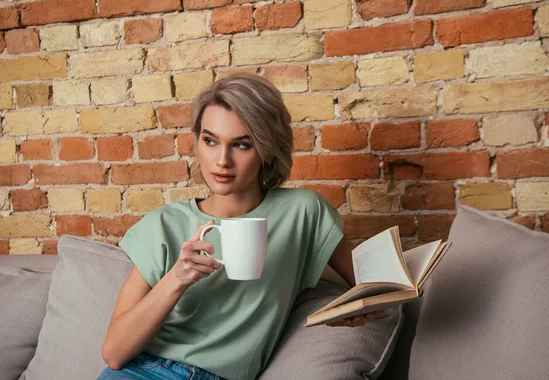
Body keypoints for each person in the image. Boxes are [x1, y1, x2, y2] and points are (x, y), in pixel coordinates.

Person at [98, 74, 380, 380]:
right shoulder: (164, 223)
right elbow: (114, 353)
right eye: (210, 141)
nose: (222, 160)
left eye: (242, 145)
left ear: (267, 150)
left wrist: (353, 308)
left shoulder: (304, 212)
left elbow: (378, 285)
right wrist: (177, 279)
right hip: (144, 372)